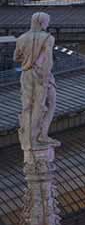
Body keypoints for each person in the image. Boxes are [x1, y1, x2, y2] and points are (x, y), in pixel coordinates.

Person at [14, 11, 55, 148]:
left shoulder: (21, 38)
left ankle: (29, 137)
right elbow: (48, 60)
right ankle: (40, 135)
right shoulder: (47, 38)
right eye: (47, 21)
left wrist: (27, 60)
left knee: (27, 106)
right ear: (42, 22)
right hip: (41, 74)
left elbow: (16, 58)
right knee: (47, 104)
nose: (48, 24)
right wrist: (45, 77)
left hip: (26, 74)